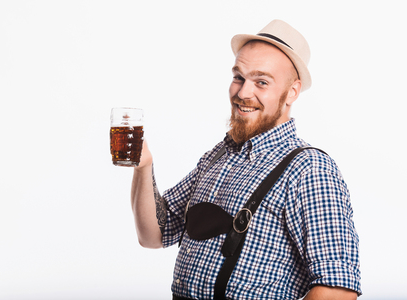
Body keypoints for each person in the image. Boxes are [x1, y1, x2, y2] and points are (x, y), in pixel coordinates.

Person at [130, 19, 361, 300]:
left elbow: (337, 288)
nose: (242, 93)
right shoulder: (218, 156)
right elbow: (154, 234)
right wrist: (144, 167)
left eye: (261, 82)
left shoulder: (309, 169)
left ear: (292, 93)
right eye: (239, 77)